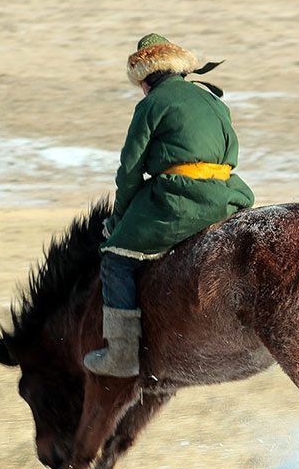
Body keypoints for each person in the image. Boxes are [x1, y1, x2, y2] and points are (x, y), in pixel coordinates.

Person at [83, 33, 255, 377]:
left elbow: (130, 171)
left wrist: (118, 221)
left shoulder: (152, 104)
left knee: (116, 258)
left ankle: (122, 353)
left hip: (179, 201)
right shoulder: (212, 100)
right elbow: (230, 151)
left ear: (145, 78)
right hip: (227, 195)